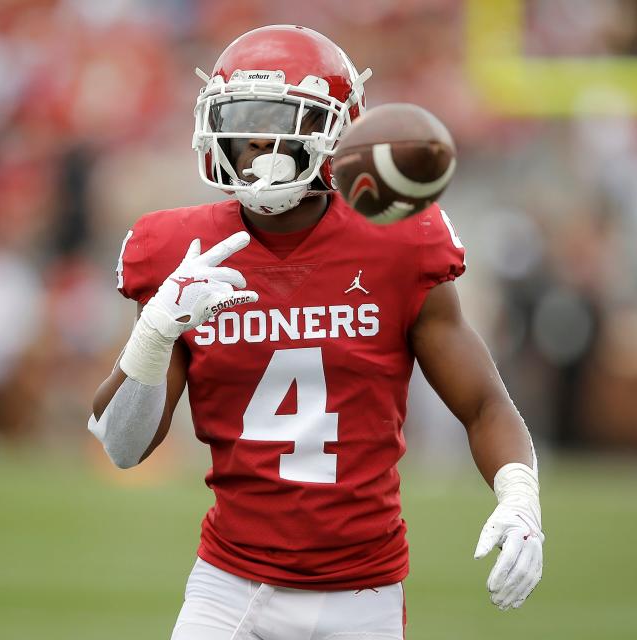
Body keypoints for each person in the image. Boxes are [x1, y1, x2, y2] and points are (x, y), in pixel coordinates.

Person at [89, 25, 544, 640]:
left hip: (364, 590)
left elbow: (484, 403)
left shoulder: (399, 242)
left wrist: (520, 497)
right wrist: (152, 332)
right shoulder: (180, 249)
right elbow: (123, 447)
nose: (254, 142)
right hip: (229, 584)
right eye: (238, 119)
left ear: (333, 132)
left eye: (278, 120)